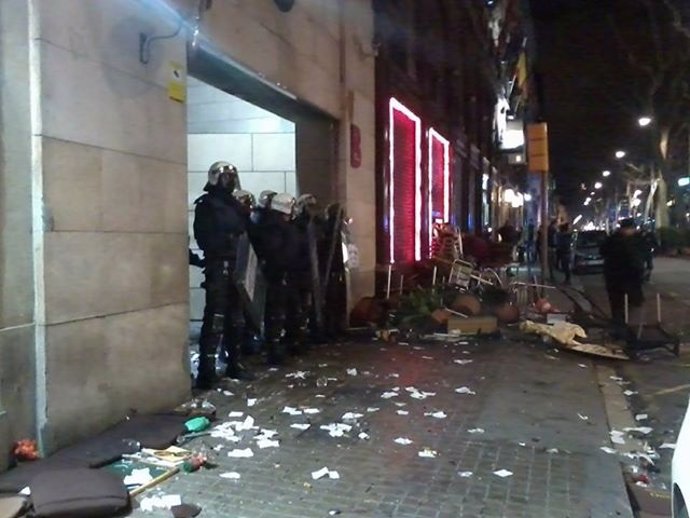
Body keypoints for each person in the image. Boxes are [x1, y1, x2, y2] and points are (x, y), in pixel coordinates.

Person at [193, 161, 253, 389]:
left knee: (236, 318)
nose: (230, 181)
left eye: (232, 177)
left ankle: (234, 363)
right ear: (215, 178)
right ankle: (206, 371)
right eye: (226, 177)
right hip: (219, 264)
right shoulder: (207, 204)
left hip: (236, 265)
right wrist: (223, 245)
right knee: (216, 318)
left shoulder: (234, 205)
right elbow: (203, 235)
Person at [252, 192, 300, 365]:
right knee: (275, 313)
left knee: (284, 311)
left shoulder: (279, 226)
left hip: (286, 273)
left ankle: (281, 345)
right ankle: (273, 348)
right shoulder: (273, 227)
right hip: (277, 274)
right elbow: (275, 252)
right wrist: (283, 267)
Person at [600, 218, 645, 336]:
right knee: (628, 304)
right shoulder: (628, 242)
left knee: (618, 306)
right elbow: (636, 260)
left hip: (615, 278)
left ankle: (620, 328)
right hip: (626, 278)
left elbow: (603, 251)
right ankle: (627, 331)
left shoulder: (613, 239)